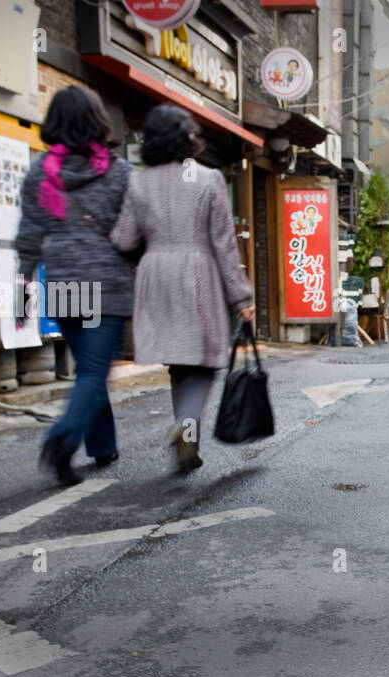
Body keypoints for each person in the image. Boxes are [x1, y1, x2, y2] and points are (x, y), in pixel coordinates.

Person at [110, 105, 255, 473]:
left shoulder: (138, 182)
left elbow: (124, 238)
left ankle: (185, 431)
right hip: (197, 272)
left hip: (156, 273)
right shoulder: (208, 179)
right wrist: (241, 296)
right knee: (202, 363)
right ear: (186, 137)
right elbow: (223, 243)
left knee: (179, 362)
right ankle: (186, 427)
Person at [16, 86, 136, 486]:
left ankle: (102, 446)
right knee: (94, 370)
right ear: (96, 120)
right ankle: (61, 439)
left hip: (65, 281)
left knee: (87, 368)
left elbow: (30, 233)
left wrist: (23, 280)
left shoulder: (41, 171)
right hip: (108, 282)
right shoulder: (118, 172)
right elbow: (134, 232)